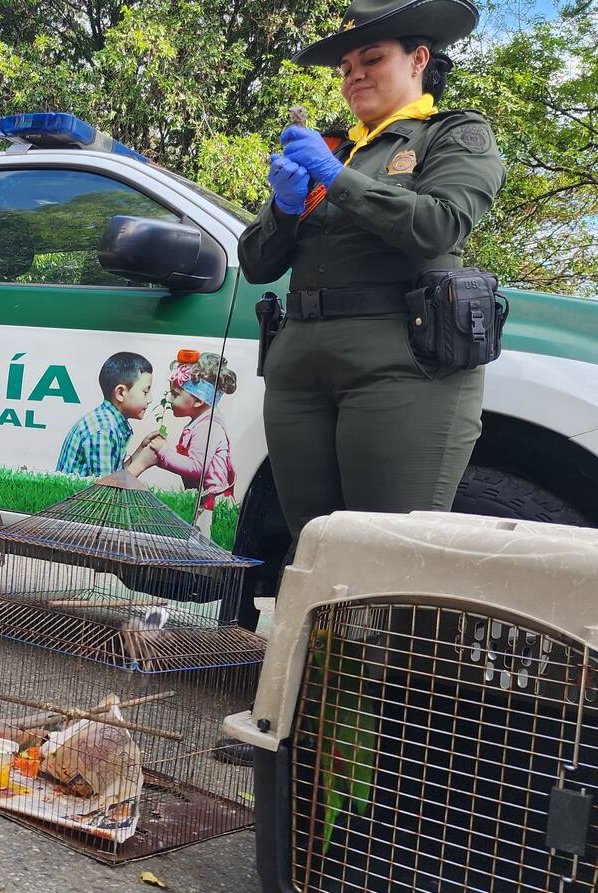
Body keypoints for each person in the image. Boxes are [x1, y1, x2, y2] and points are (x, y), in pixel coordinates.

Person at [237, 0, 505, 541]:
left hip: (402, 361)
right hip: (300, 364)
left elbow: (440, 225)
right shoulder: (335, 148)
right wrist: (286, 210)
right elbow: (257, 263)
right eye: (345, 68)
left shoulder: (450, 135)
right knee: (311, 545)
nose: (354, 74)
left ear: (418, 59)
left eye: (372, 58)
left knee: (386, 551)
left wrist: (335, 178)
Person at [129, 353, 237, 528]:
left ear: (198, 400)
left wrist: (164, 452)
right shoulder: (199, 423)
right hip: (203, 498)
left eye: (175, 394)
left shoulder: (208, 427)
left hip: (212, 502)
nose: (170, 400)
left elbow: (196, 468)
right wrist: (160, 458)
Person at [56, 351, 153, 478]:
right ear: (120, 393)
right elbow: (106, 490)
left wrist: (141, 450)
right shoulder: (104, 430)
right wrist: (141, 464)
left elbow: (116, 474)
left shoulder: (110, 422)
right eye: (145, 392)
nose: (150, 399)